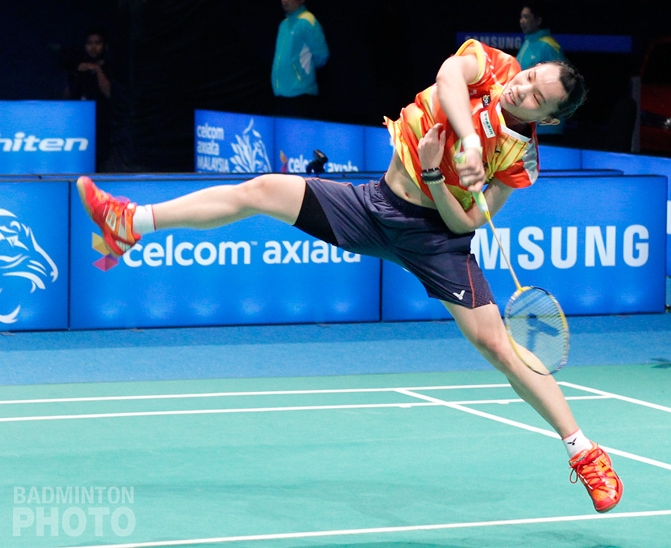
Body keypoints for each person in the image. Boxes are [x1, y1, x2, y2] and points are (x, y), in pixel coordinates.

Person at [76, 38, 623, 513]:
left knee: (496, 344)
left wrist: (435, 175)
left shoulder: (521, 159)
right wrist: (469, 139)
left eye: (536, 98)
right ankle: (130, 223)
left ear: (549, 118)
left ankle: (584, 452)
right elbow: (449, 75)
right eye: (530, 77)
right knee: (261, 191)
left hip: (434, 237)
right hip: (373, 204)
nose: (521, 89)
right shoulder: (494, 65)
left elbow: (467, 221)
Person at [271, 0, 330, 120]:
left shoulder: (307, 21)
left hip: (301, 95)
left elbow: (322, 56)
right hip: (281, 94)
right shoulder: (283, 24)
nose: (285, 0)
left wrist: (301, 74)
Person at [63, 28, 113, 172]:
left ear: (104, 46)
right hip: (79, 122)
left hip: (101, 122)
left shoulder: (109, 67)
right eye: (89, 43)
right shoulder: (79, 68)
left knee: (100, 159)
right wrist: (76, 74)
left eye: (97, 43)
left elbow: (109, 93)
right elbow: (66, 96)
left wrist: (97, 70)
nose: (93, 47)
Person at [517, 0, 567, 138]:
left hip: (547, 130)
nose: (522, 21)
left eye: (526, 17)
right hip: (528, 124)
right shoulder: (527, 43)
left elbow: (562, 88)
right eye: (521, 17)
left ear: (538, 20)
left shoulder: (549, 47)